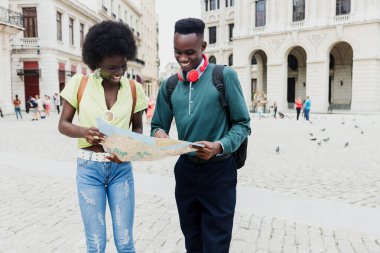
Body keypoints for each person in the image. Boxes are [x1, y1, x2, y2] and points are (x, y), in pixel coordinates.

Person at [151, 18, 251, 252]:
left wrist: (219, 145)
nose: (183, 59)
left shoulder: (224, 76)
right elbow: (157, 124)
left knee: (216, 245)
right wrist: (160, 133)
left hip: (219, 173)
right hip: (185, 173)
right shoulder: (169, 85)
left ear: (203, 47)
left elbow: (243, 124)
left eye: (189, 52)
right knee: (192, 242)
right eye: (177, 52)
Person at [58, 20, 147, 253]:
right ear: (97, 62)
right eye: (111, 68)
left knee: (125, 241)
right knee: (95, 244)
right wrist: (83, 132)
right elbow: (63, 124)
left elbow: (138, 129)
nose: (118, 72)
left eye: (122, 66)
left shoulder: (135, 88)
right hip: (89, 171)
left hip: (121, 170)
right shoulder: (80, 83)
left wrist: (126, 149)